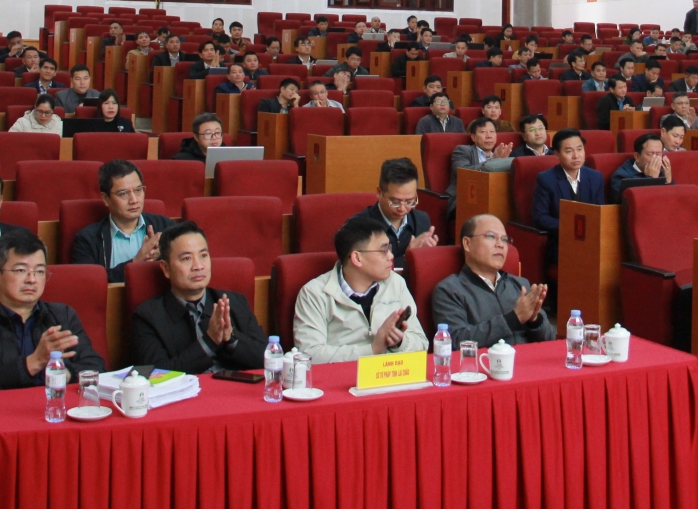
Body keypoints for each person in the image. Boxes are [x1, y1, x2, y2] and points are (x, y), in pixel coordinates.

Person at [0, 230, 105, 398]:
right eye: (21, 270)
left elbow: (97, 369)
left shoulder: (63, 316)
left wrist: (63, 375)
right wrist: (32, 363)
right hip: (4, 412)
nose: (32, 279)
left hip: (58, 408)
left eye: (40, 271)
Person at [129, 221, 269, 374]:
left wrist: (231, 338)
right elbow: (155, 375)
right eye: (186, 258)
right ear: (166, 268)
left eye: (203, 256)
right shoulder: (147, 317)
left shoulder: (235, 302)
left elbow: (268, 358)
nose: (198, 266)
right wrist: (209, 342)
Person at [293, 213, 429, 363]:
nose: (391, 256)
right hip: (342, 375)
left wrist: (399, 343)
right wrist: (372, 350)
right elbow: (309, 354)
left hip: (389, 372)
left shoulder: (396, 283)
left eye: (390, 248)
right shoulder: (314, 294)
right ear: (357, 258)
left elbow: (421, 342)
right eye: (383, 250)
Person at [429, 214, 555, 347]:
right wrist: (514, 318)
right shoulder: (450, 290)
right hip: (485, 360)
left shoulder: (520, 285)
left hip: (528, 358)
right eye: (491, 237)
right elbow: (455, 341)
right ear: (467, 243)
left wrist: (534, 320)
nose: (500, 244)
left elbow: (550, 340)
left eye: (504, 239)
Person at [70, 159, 174, 282]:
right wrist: (136, 261)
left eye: (138, 190)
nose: (134, 200)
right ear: (105, 199)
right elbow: (88, 282)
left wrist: (167, 254)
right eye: (123, 193)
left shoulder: (166, 227)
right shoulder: (87, 239)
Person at [531, 129, 606, 237]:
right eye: (569, 151)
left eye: (579, 149)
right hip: (560, 237)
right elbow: (540, 217)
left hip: (591, 236)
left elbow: (601, 212)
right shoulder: (546, 179)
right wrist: (572, 227)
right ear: (557, 154)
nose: (576, 156)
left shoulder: (595, 177)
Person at [609, 133, 673, 202]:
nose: (655, 158)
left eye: (658, 154)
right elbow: (631, 203)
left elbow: (672, 201)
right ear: (637, 156)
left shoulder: (662, 172)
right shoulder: (621, 176)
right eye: (650, 154)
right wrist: (651, 179)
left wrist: (668, 182)